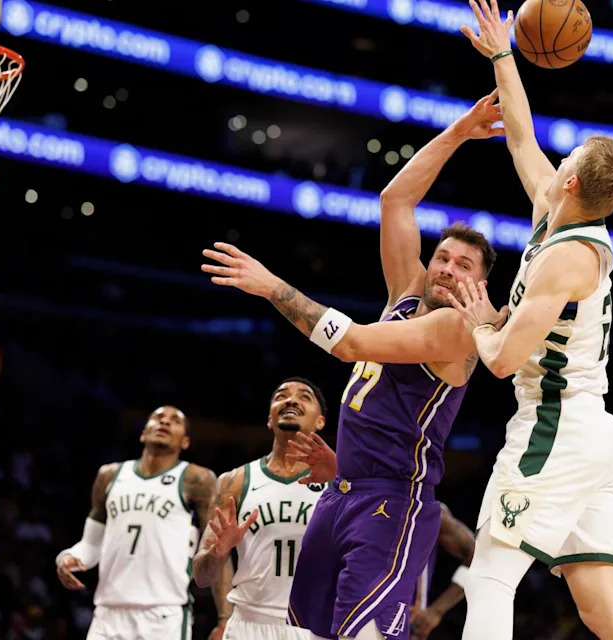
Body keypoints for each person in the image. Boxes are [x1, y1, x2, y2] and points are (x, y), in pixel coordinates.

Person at [201, 94, 502, 640]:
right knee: (307, 633)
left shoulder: (457, 329)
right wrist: (459, 130)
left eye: (464, 265)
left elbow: (350, 345)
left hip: (394, 500)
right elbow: (396, 200)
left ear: (478, 284)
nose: (447, 268)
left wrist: (272, 287)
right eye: (442, 257)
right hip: (342, 490)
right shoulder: (409, 294)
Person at [453, 1, 613, 638]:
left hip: (555, 429)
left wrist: (484, 323)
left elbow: (504, 359)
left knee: (489, 573)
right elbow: (519, 136)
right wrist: (503, 55)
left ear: (571, 183)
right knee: (601, 607)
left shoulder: (569, 258)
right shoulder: (556, 214)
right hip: (590, 432)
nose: (556, 159)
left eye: (568, 158)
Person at [55, 406, 225, 639]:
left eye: (174, 420)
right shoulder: (110, 475)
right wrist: (68, 557)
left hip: (163, 614)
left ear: (185, 442)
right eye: (158, 418)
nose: (164, 422)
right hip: (108, 613)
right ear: (143, 433)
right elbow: (90, 545)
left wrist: (225, 617)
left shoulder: (197, 479)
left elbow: (217, 549)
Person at [193, 378, 336, 640]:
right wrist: (218, 553)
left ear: (320, 422)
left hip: (313, 626)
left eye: (304, 396)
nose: (291, 400)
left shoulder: (340, 484)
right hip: (248, 625)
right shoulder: (233, 481)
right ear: (269, 419)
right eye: (281, 395)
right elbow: (202, 577)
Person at [409, 504, 476, 640]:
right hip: (362, 609)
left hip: (409, 622)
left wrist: (436, 610)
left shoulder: (430, 512)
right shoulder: (360, 504)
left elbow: (477, 557)